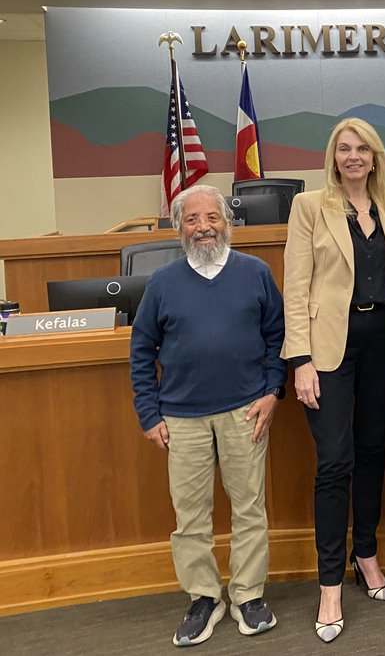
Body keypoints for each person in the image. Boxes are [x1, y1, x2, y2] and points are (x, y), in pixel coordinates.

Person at [130, 184, 285, 647]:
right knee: (190, 516)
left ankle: (248, 595)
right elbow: (141, 352)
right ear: (179, 228)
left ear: (228, 224)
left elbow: (278, 338)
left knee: (249, 508)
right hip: (181, 418)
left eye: (211, 218)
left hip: (246, 411)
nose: (203, 228)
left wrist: (274, 391)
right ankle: (203, 597)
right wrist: (148, 412)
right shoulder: (162, 283)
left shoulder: (255, 273)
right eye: (192, 220)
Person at [282, 118, 385, 643]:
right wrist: (300, 360)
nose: (353, 157)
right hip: (328, 351)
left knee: (374, 449)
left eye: (362, 149)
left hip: (384, 346)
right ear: (333, 157)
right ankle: (329, 583)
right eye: (344, 149)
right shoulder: (309, 207)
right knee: (335, 462)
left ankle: (367, 554)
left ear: (376, 156)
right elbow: (295, 286)